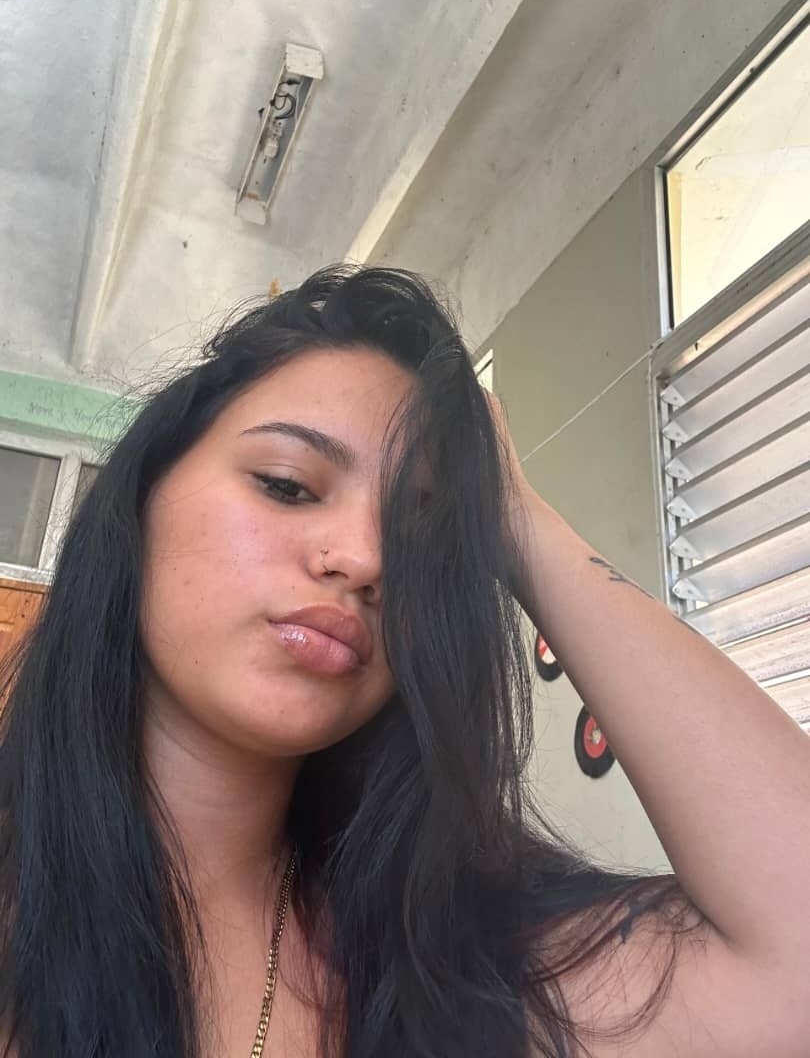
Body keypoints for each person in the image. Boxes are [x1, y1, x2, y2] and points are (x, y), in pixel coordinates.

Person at [0, 265, 808, 1058]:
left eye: (417, 534)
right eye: (287, 485)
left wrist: (511, 513)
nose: (365, 558)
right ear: (142, 500)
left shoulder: (447, 962)